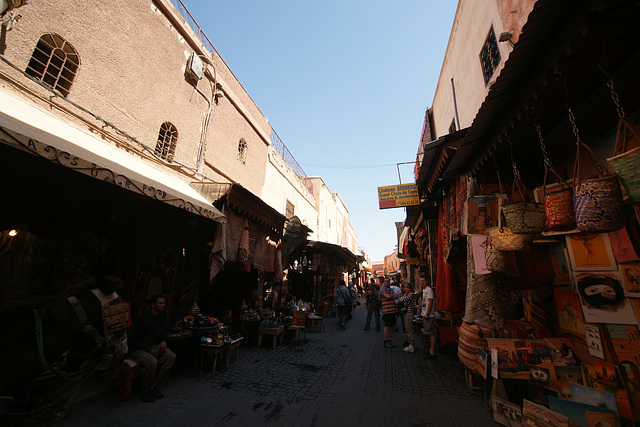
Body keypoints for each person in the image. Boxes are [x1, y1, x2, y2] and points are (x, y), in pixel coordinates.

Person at [128, 294, 176, 402]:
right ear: (153, 305)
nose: (163, 305)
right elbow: (135, 340)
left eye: (164, 303)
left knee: (170, 356)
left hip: (155, 346)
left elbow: (165, 329)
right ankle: (144, 390)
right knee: (152, 361)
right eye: (161, 303)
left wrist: (164, 341)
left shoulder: (162, 316)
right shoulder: (143, 319)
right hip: (140, 349)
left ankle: (153, 386)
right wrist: (148, 350)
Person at [418, 276, 437, 359]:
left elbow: (430, 302)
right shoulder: (424, 290)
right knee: (428, 333)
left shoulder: (429, 290)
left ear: (427, 281)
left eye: (423, 280)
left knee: (431, 333)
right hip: (424, 314)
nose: (422, 282)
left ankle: (432, 352)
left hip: (428, 316)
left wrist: (427, 313)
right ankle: (429, 350)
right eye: (420, 281)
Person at [380, 278, 398, 348]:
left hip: (392, 310)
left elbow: (396, 295)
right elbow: (387, 296)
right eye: (386, 281)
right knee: (387, 325)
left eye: (388, 281)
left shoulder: (390, 289)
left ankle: (390, 339)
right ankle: (385, 340)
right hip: (387, 311)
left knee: (392, 326)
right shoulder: (383, 290)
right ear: (384, 282)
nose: (387, 283)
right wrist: (392, 296)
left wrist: (391, 296)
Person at [398, 283, 416, 352]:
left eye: (407, 288)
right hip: (405, 313)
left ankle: (411, 346)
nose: (405, 289)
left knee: (409, 329)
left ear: (410, 288)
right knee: (407, 328)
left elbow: (401, 299)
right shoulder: (406, 294)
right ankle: (410, 345)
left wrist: (401, 298)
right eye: (405, 288)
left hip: (409, 313)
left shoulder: (411, 294)